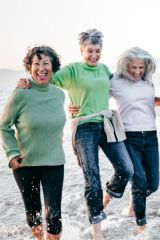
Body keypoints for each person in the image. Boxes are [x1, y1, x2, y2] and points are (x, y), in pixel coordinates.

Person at [16, 29, 133, 240]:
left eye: (97, 51)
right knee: (92, 177)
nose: (94, 55)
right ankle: (97, 232)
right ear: (81, 50)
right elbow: (44, 79)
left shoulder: (104, 69)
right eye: (89, 51)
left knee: (126, 169)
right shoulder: (72, 70)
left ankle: (107, 195)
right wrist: (25, 82)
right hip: (84, 128)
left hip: (106, 124)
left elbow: (117, 87)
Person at [69, 47, 160, 234]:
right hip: (128, 136)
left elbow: (150, 100)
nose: (137, 72)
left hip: (150, 135)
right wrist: (74, 106)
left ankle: (124, 198)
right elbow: (96, 95)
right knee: (139, 183)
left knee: (152, 184)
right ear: (125, 66)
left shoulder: (147, 81)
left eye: (141, 67)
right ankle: (142, 227)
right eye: (133, 67)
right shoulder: (114, 82)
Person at [0, 46, 66, 240]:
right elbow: (4, 126)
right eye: (36, 64)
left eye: (46, 63)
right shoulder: (21, 94)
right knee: (34, 215)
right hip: (25, 164)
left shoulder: (59, 95)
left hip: (54, 162)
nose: (41, 68)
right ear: (30, 68)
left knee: (54, 216)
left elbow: (55, 121)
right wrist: (11, 153)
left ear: (53, 67)